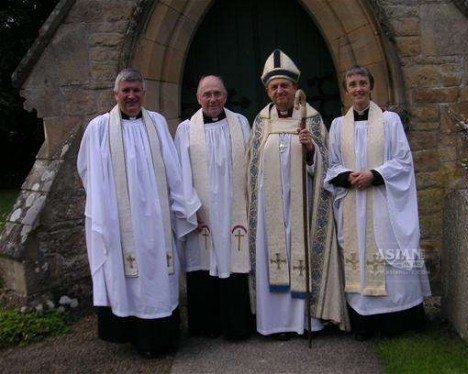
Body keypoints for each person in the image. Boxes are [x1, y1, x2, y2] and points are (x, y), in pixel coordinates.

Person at [77, 68, 200, 357]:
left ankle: (163, 338)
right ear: (115, 94)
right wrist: (104, 207)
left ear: (143, 93)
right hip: (121, 223)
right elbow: (86, 168)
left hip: (157, 220)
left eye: (136, 90)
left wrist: (184, 205)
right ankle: (135, 337)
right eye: (126, 91)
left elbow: (172, 167)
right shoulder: (99, 128)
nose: (131, 96)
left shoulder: (156, 122)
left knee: (159, 277)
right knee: (129, 279)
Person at [247, 49, 349, 340]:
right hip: (270, 210)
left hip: (304, 205)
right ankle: (276, 324)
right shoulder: (260, 122)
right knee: (274, 258)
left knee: (301, 256)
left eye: (285, 86)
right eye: (274, 86)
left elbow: (326, 165)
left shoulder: (312, 119)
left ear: (295, 89)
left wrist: (310, 149)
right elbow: (252, 170)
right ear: (268, 91)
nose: (280, 91)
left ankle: (308, 322)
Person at [323, 65, 431, 340]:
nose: (358, 89)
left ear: (371, 86)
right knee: (358, 258)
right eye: (353, 84)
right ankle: (365, 323)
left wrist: (374, 174)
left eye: (362, 83)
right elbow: (332, 164)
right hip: (354, 205)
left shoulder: (390, 121)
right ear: (346, 90)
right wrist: (349, 176)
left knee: (388, 256)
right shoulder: (337, 126)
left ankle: (398, 319)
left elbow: (403, 160)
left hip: (384, 203)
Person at [175, 75, 253, 340]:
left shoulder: (241, 124)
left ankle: (237, 327)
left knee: (234, 261)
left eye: (217, 93)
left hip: (234, 210)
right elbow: (180, 173)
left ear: (225, 96)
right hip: (203, 211)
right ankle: (206, 327)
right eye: (207, 94)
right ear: (198, 98)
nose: (212, 99)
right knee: (203, 263)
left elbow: (252, 166)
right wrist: (190, 206)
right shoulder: (186, 129)